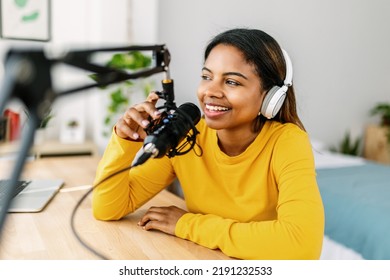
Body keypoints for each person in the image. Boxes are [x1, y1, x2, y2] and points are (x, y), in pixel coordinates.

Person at [92, 28, 324, 260]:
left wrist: (188, 224)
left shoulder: (287, 142)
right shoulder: (186, 135)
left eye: (231, 82)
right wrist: (125, 140)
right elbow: (109, 208)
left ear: (271, 97)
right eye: (206, 77)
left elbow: (301, 245)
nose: (210, 91)